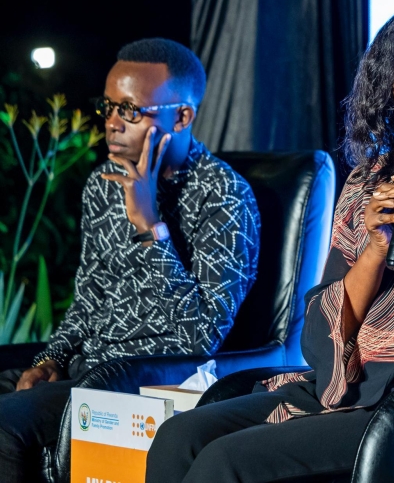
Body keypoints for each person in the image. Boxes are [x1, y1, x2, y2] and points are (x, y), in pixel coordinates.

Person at [146, 0, 394, 482]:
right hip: (344, 390)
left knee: (226, 463)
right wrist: (376, 251)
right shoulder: (367, 183)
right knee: (176, 439)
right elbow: (319, 341)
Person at [0, 38, 261, 482]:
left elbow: (201, 336)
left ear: (182, 117)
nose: (113, 124)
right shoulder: (104, 184)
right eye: (108, 108)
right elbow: (89, 298)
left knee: (5, 427)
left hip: (143, 384)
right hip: (85, 370)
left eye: (132, 111)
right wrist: (50, 359)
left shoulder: (225, 197)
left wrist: (149, 226)